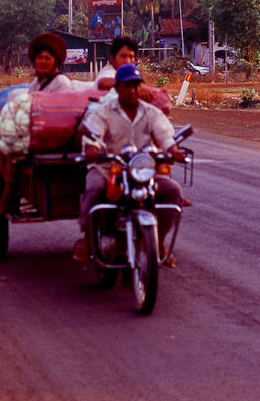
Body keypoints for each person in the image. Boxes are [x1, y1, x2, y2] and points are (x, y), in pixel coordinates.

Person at [74, 63, 185, 265]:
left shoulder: (151, 112)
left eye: (136, 85)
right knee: (94, 188)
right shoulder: (103, 111)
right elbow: (92, 135)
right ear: (117, 88)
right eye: (127, 85)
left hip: (142, 170)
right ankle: (88, 239)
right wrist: (92, 149)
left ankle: (158, 241)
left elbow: (165, 135)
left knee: (172, 191)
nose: (133, 90)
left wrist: (173, 151)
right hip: (108, 168)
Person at [0, 32, 73, 216]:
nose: (42, 61)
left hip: (54, 135)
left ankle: (8, 200)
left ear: (55, 61)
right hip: (38, 131)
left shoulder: (61, 83)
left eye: (47, 58)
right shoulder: (36, 83)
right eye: (39, 58)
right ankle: (11, 195)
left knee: (13, 152)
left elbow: (61, 114)